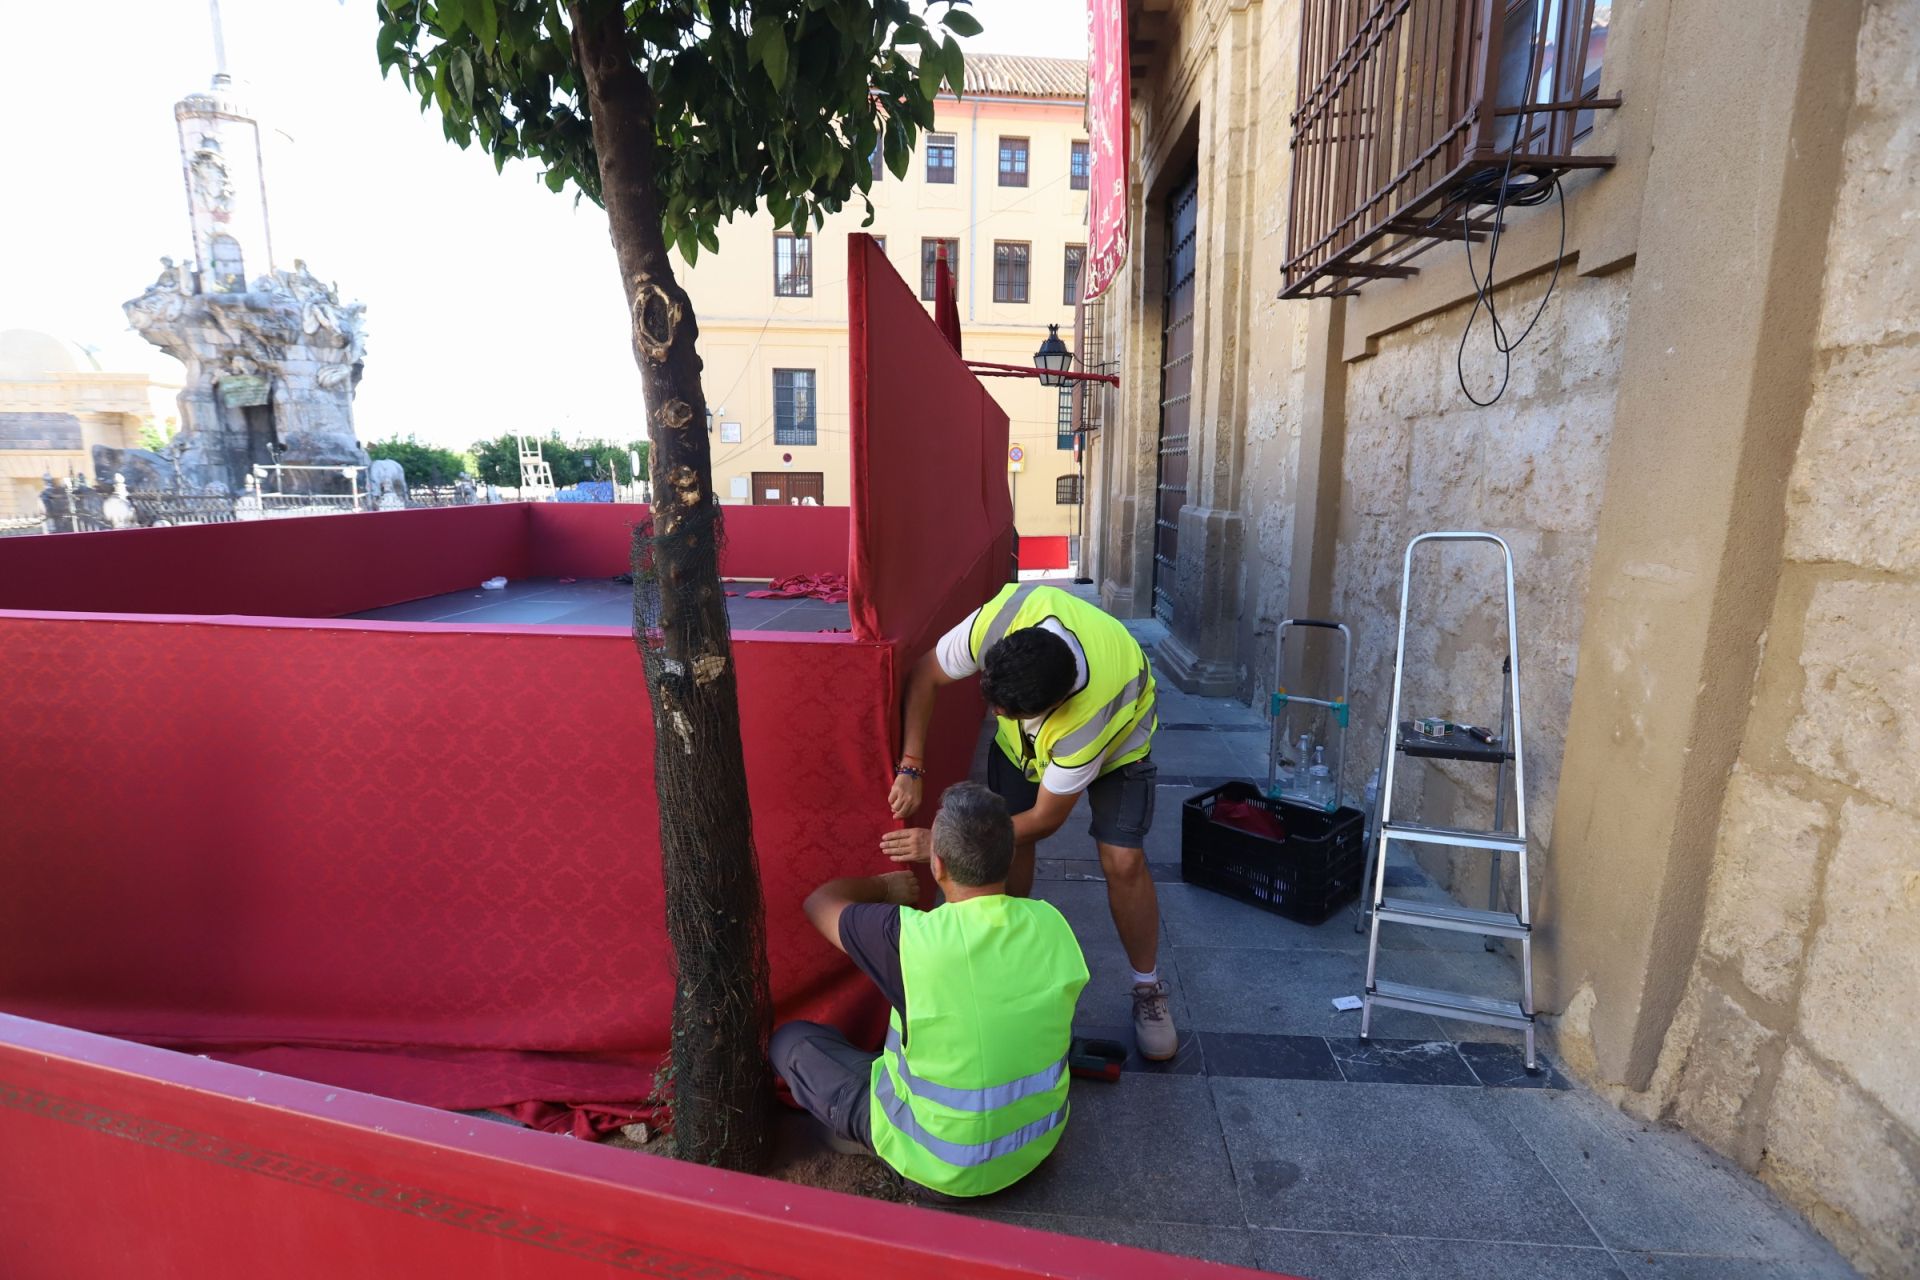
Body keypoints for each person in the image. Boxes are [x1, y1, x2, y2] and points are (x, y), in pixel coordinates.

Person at [880, 583, 1175, 1060]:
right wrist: (911, 766)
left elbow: (1044, 819)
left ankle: (1148, 988)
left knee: (1122, 860)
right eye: (992, 703)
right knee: (1005, 843)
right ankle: (1004, 957)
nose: (995, 713)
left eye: (1009, 712)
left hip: (1121, 747)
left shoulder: (1087, 718)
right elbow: (924, 676)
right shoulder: (1002, 620)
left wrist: (942, 840)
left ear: (1054, 705)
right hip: (1024, 749)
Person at [770, 782, 1088, 1199]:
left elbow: (819, 903)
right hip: (1033, 1148)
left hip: (935, 1167)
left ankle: (875, 1140)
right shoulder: (1052, 923)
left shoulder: (907, 938)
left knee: (791, 1042)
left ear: (936, 865)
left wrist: (884, 888)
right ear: (1009, 857)